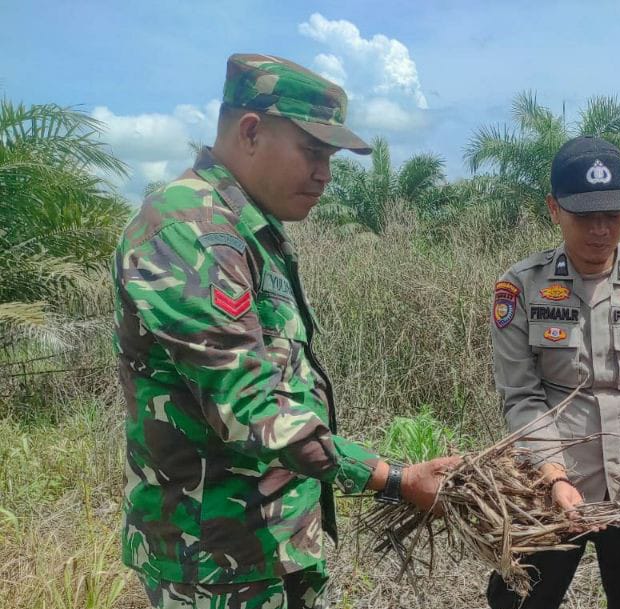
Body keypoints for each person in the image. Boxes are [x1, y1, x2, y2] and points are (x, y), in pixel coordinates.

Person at [113, 53, 458, 609]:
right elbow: (250, 408)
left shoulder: (248, 228)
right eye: (313, 151)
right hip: (215, 559)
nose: (325, 173)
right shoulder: (189, 230)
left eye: (331, 157)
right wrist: (394, 478)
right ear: (251, 131)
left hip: (269, 543)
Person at [487, 135, 620, 609]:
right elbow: (521, 396)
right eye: (585, 216)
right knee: (519, 600)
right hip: (548, 484)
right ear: (553, 209)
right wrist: (553, 476)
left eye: (613, 215)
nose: (601, 230)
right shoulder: (521, 287)